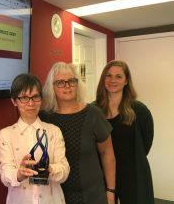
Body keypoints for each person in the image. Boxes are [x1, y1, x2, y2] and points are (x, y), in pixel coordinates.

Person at [40, 62, 116, 204]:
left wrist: (111, 191)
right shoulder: (44, 118)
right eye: (60, 82)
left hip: (92, 195)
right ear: (52, 88)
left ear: (78, 84)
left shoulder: (93, 114)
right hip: (55, 194)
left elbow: (108, 154)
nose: (67, 86)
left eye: (71, 81)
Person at [0, 73, 70, 204]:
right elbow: (5, 174)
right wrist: (20, 173)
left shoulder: (54, 131)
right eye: (24, 97)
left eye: (35, 97)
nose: (31, 103)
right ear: (14, 101)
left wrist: (49, 169)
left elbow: (64, 170)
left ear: (41, 100)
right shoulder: (5, 134)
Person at [95, 60, 154, 204]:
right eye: (108, 76)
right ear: (103, 79)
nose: (112, 80)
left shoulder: (139, 110)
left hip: (133, 174)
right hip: (103, 175)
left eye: (118, 76)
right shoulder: (94, 110)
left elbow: (146, 143)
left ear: (126, 81)